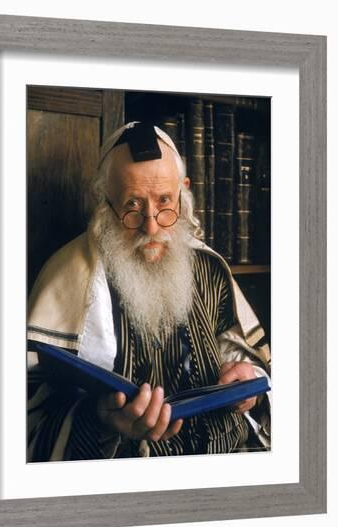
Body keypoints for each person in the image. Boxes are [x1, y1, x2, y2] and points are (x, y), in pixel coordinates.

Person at [27, 121, 271, 461]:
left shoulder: (208, 267)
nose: (152, 225)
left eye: (164, 201)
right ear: (104, 200)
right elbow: (29, 413)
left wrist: (250, 382)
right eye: (132, 205)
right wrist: (101, 421)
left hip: (229, 456)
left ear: (183, 192)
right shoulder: (69, 275)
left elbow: (249, 360)